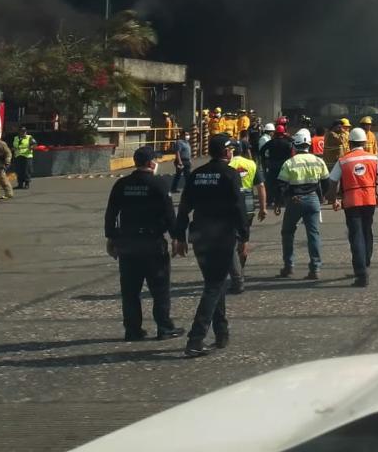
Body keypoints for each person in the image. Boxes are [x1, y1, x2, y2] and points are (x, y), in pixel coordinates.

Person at [172, 133, 250, 359]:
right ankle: (195, 339)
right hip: (222, 236)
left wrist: (179, 236)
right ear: (226, 151)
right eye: (231, 149)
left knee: (214, 282)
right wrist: (244, 237)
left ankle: (222, 332)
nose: (232, 152)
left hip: (199, 235)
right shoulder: (230, 174)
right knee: (215, 285)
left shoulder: (196, 174)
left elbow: (184, 207)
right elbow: (239, 207)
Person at [104, 146, 184, 342]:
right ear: (150, 163)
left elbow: (111, 213)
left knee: (130, 290)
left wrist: (111, 237)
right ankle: (164, 327)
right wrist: (176, 237)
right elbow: (169, 214)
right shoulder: (159, 184)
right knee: (160, 288)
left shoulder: (122, 184)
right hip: (153, 243)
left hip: (128, 243)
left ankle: (132, 329)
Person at [329, 127, 378, 286]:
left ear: (350, 143)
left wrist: (334, 199)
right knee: (367, 230)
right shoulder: (373, 158)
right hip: (370, 201)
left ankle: (361, 274)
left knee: (355, 235)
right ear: (364, 142)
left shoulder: (343, 160)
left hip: (351, 202)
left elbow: (333, 181)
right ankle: (366, 261)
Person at [276, 129, 328, 280]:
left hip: (295, 200)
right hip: (312, 200)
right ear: (309, 144)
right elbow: (326, 182)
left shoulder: (289, 163)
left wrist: (281, 200)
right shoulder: (318, 161)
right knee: (313, 234)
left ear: (295, 145)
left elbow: (280, 185)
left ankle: (289, 266)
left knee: (287, 233)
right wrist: (321, 196)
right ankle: (315, 268)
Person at [226, 139, 267, 294]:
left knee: (229, 239)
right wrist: (263, 207)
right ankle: (240, 270)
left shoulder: (228, 165)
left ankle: (233, 273)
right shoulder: (251, 164)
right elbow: (261, 186)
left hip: (230, 203)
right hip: (248, 204)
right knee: (244, 239)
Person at [259, 124, 294, 214]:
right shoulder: (287, 143)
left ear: (275, 133)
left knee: (270, 183)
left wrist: (265, 159)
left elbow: (261, 151)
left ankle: (270, 200)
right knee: (284, 184)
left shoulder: (271, 142)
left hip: (273, 165)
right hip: (284, 166)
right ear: (283, 133)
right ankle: (283, 201)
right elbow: (292, 152)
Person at [11, 125, 37, 190]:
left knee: (27, 170)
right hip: (18, 156)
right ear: (19, 132)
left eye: (24, 131)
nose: (23, 133)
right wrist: (13, 149)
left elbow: (35, 144)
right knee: (19, 170)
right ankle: (20, 184)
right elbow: (13, 146)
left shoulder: (29, 137)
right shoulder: (16, 138)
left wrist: (32, 147)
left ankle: (27, 184)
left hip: (27, 156)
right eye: (22, 131)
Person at [171, 129, 193, 194]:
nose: (187, 136)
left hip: (187, 161)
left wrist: (190, 160)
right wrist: (180, 162)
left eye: (188, 135)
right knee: (178, 175)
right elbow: (177, 152)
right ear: (182, 135)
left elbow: (188, 153)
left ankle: (188, 189)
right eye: (186, 135)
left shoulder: (187, 143)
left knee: (187, 176)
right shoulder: (179, 142)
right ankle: (173, 188)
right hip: (181, 161)